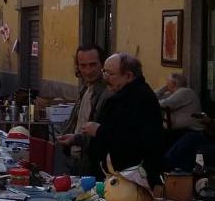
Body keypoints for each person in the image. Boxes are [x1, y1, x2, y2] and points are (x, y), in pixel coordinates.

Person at [80, 53, 164, 186]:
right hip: (115, 176)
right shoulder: (123, 94)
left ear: (129, 76)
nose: (104, 78)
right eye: (104, 72)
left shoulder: (137, 98)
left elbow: (131, 138)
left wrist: (99, 130)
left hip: (129, 179)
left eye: (110, 74)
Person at [56, 45, 112, 176]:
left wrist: (76, 139)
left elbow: (102, 134)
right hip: (77, 160)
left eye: (93, 65)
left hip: (94, 164)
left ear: (102, 64)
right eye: (83, 65)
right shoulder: (85, 88)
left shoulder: (106, 92)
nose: (88, 71)